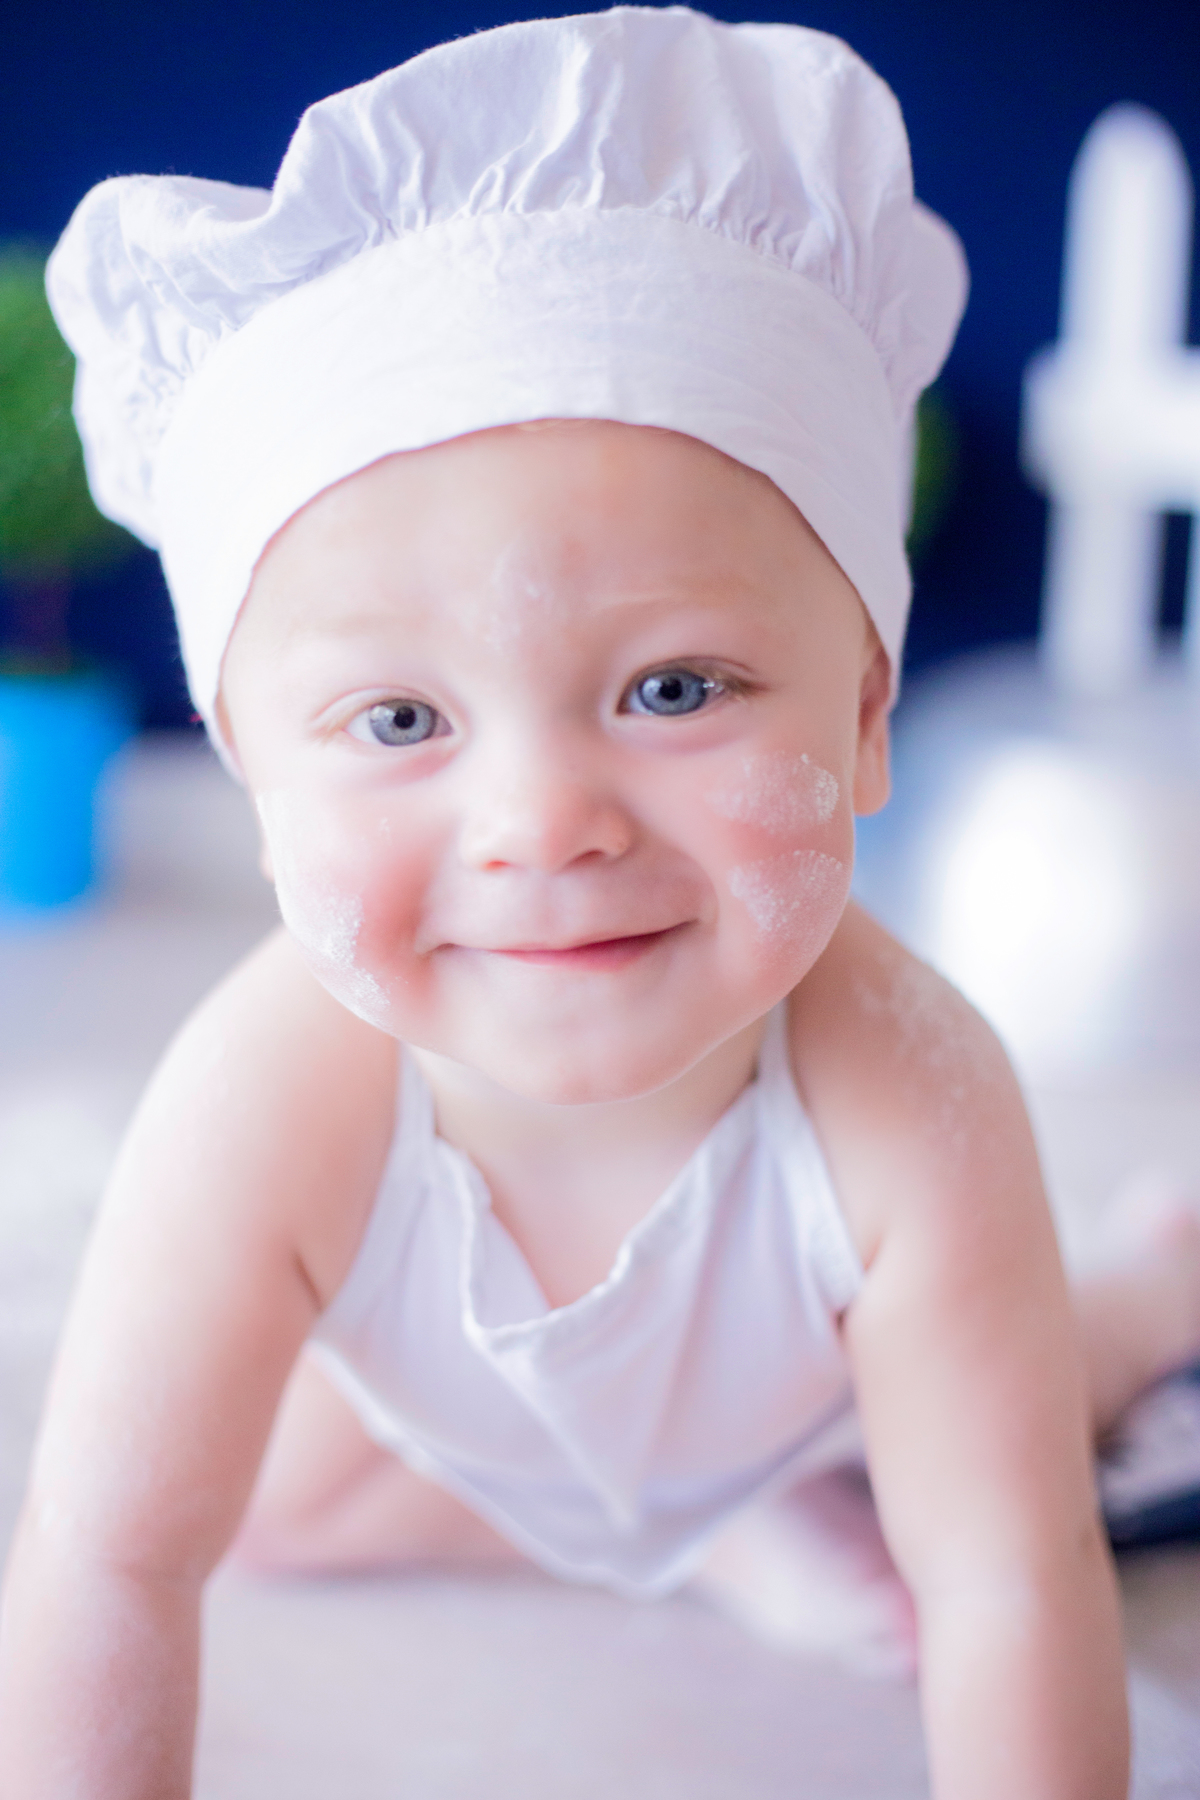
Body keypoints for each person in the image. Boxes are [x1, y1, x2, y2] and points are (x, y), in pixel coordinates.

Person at [1, 10, 1197, 1796]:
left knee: (1000, 1394)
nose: (542, 823)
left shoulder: (910, 1095)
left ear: (865, 716)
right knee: (265, 1510)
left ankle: (1146, 1287)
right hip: (472, 1430)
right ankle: (724, 1536)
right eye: (399, 720)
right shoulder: (269, 1098)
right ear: (250, 774)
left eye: (675, 688)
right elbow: (107, 1561)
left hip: (804, 1372)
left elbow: (1009, 1577)